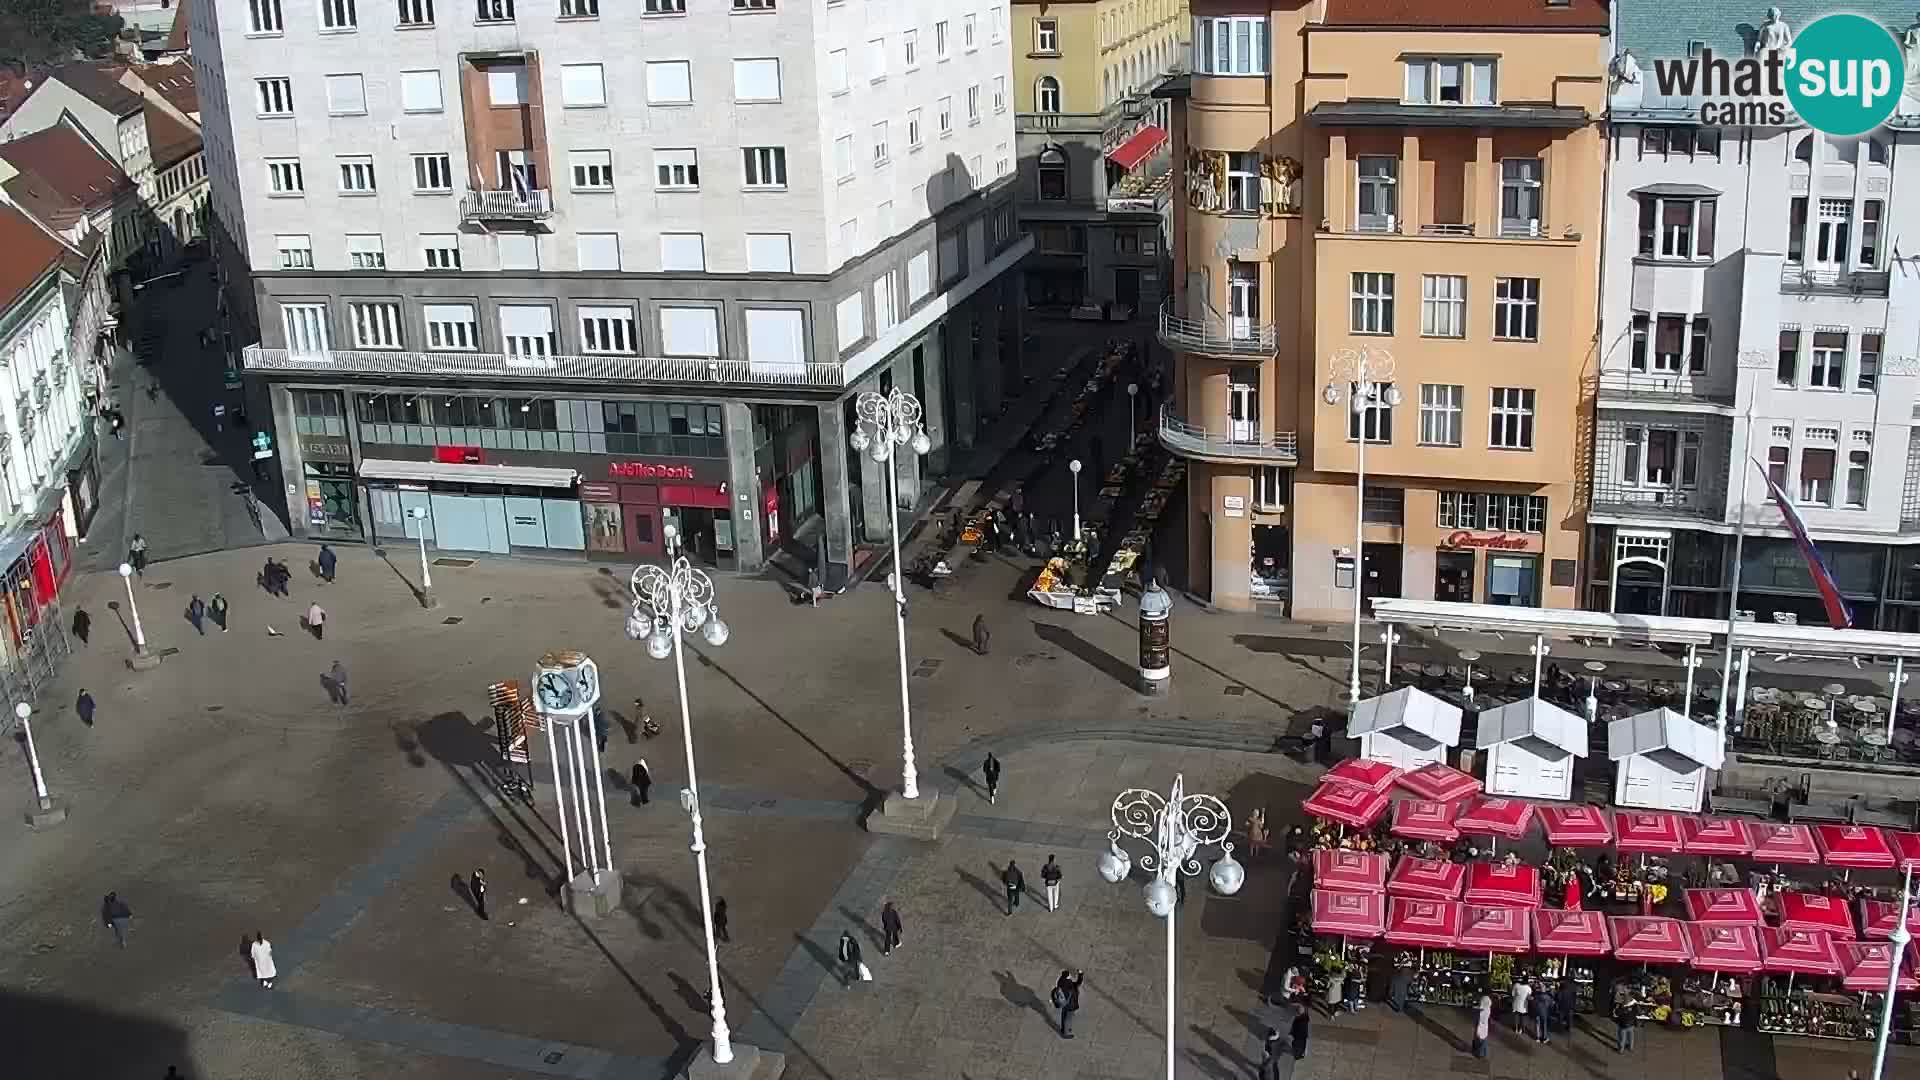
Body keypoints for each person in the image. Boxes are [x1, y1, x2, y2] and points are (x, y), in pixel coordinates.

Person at [1052, 970, 1084, 1038]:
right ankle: (1066, 1034)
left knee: (1064, 1016)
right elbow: (1077, 984)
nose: (1070, 976)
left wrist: (1080, 975)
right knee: (1068, 1018)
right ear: (1067, 977)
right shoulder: (1069, 984)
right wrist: (1080, 975)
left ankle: (1063, 1029)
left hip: (1064, 1003)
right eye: (1069, 975)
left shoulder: (1061, 981)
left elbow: (1077, 983)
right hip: (1070, 1004)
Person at [1530, 978, 1552, 1043]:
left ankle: (1537, 1037)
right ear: (1545, 989)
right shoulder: (1547, 997)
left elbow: (1533, 1003)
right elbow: (1550, 1005)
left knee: (1537, 1024)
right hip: (1544, 1012)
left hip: (1537, 1012)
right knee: (1544, 1025)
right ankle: (1544, 1038)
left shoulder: (1536, 996)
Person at [1473, 992, 1493, 1058]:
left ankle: (1480, 1054)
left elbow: (1481, 1021)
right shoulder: (1488, 1009)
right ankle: (1483, 1053)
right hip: (1484, 1027)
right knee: (1483, 1040)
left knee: (1481, 1041)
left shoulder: (1484, 1012)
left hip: (1481, 1027)